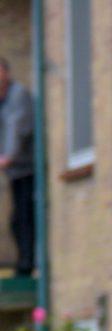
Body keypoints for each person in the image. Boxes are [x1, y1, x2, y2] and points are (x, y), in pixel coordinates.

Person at [0, 60, 33, 278]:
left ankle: (27, 264)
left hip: (27, 168)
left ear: (6, 73)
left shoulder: (18, 95)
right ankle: (23, 262)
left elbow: (17, 128)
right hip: (15, 171)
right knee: (16, 220)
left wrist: (7, 157)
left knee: (24, 217)